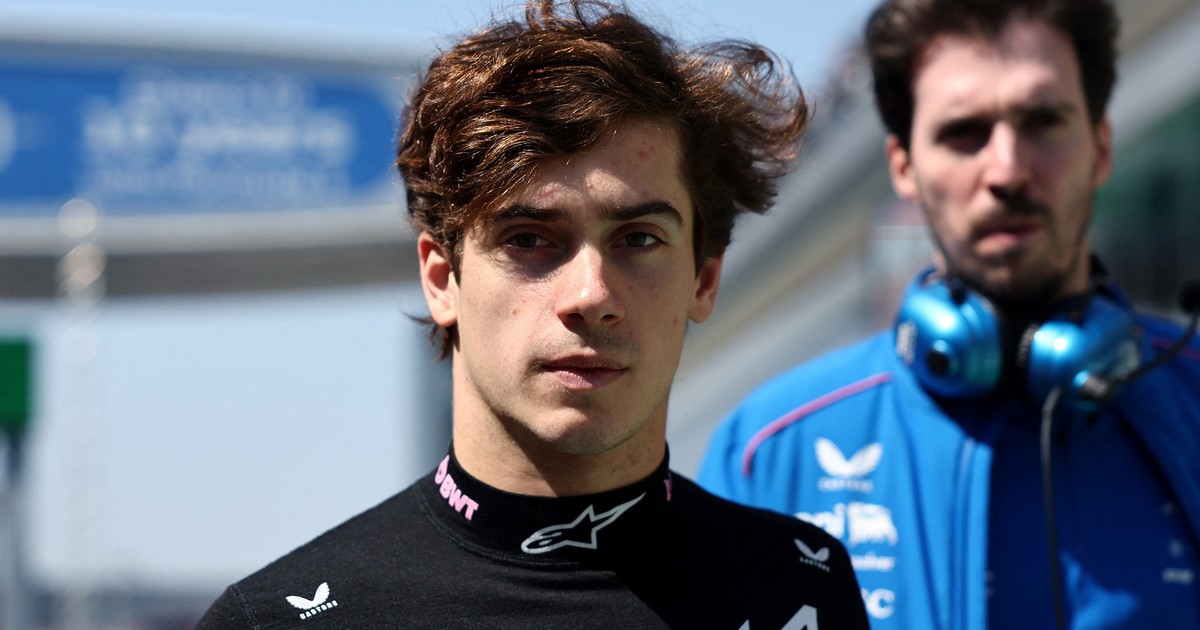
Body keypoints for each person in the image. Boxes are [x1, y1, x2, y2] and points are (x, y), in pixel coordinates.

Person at [195, 1, 870, 628]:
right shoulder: (279, 619)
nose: (590, 295)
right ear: (442, 279)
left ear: (704, 279)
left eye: (638, 239)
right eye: (528, 240)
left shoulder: (801, 589)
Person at [699, 0, 1200, 628]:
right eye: (965, 132)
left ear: (1101, 148)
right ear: (904, 167)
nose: (1007, 170)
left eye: (1043, 120)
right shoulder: (769, 455)